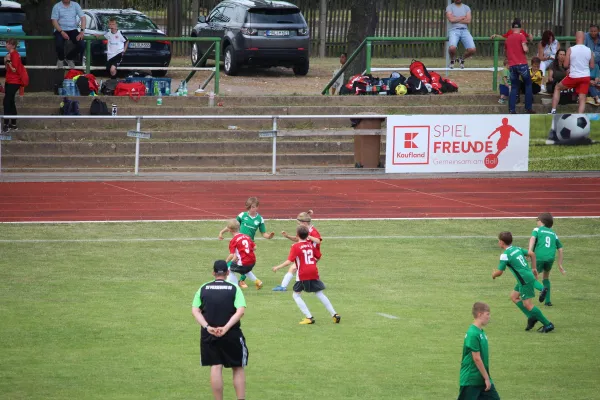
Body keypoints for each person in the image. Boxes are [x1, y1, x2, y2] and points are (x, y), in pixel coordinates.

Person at [192, 260, 248, 400]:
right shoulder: (234, 288)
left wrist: (207, 327)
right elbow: (240, 311)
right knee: (237, 367)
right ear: (228, 272)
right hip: (231, 333)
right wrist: (226, 327)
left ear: (213, 273)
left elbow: (195, 311)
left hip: (209, 334)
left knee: (216, 366)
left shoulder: (203, 288)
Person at [272, 225, 340, 325]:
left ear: (297, 235)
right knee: (319, 293)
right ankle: (334, 314)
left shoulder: (295, 246)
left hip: (303, 274)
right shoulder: (310, 245)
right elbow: (318, 256)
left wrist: (277, 267)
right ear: (308, 235)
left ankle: (309, 317)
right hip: (313, 271)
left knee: (296, 295)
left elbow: (289, 261)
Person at [492, 231, 555, 333]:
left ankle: (548, 324)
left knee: (527, 304)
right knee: (514, 296)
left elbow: (499, 272)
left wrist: (493, 275)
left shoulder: (505, 255)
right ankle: (531, 316)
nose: (498, 242)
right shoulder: (517, 248)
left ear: (502, 242)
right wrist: (534, 268)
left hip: (524, 280)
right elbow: (532, 254)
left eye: (499, 241)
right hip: (526, 277)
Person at [218, 197, 274, 288]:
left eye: (253, 207)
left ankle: (238, 282)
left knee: (239, 262)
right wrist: (221, 232)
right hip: (240, 242)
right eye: (250, 207)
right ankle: (251, 281)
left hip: (248, 243)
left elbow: (263, 233)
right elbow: (232, 225)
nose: (251, 209)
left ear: (257, 207)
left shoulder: (259, 219)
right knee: (243, 262)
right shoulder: (242, 215)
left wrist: (269, 236)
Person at [457, 302, 500, 400]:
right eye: (487, 314)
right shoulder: (473, 333)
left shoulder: (480, 332)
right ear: (480, 314)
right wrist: (486, 378)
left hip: (481, 379)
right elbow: (476, 358)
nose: (489, 317)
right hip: (471, 379)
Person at [272, 210, 322, 291]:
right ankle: (317, 283)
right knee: (304, 269)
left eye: (299, 223)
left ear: (304, 223)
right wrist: (287, 236)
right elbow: (297, 239)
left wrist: (309, 236)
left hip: (313, 255)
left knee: (294, 268)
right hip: (307, 254)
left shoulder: (313, 231)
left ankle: (283, 287)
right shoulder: (302, 230)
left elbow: (318, 241)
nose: (298, 225)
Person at [550, 31, 595, 114]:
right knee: (582, 98)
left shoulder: (571, 49)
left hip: (573, 76)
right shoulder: (589, 50)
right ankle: (579, 115)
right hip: (585, 77)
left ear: (576, 38)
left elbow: (565, 65)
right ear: (584, 38)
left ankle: (553, 110)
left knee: (557, 88)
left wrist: (572, 65)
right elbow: (592, 66)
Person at [528, 213, 565, 307]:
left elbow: (532, 238)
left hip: (539, 257)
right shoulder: (554, 234)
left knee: (529, 278)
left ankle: (541, 289)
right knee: (546, 277)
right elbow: (560, 249)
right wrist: (560, 264)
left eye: (537, 220)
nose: (537, 222)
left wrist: (530, 251)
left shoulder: (537, 229)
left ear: (542, 222)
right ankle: (548, 302)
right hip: (550, 258)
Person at [505, 19, 534, 114]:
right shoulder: (521, 36)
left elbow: (506, 52)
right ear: (520, 28)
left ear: (512, 28)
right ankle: (528, 108)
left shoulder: (508, 38)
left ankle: (512, 109)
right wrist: (527, 48)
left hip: (512, 65)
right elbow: (525, 49)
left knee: (514, 87)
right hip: (522, 64)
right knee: (528, 84)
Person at [224, 219, 263, 290]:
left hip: (244, 262)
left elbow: (232, 255)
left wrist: (225, 262)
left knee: (229, 270)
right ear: (239, 227)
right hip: (252, 261)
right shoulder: (246, 236)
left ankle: (234, 287)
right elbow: (255, 247)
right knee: (246, 270)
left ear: (229, 230)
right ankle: (257, 281)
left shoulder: (233, 240)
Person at [51, 0, 86, 69]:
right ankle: (61, 59)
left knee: (82, 45)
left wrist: (82, 32)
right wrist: (61, 31)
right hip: (60, 29)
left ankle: (69, 58)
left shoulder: (75, 5)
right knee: (59, 44)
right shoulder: (57, 6)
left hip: (73, 29)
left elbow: (83, 18)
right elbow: (54, 21)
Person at [446, 0, 476, 69]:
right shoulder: (449, 7)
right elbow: (451, 20)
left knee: (472, 50)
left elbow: (468, 20)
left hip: (465, 30)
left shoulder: (466, 7)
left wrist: (455, 19)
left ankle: (461, 59)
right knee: (452, 48)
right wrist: (462, 17)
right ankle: (452, 60)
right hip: (453, 30)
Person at [3, 39, 24, 132]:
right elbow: (7, 69)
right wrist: (6, 62)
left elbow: (14, 69)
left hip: (14, 82)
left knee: (7, 101)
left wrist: (8, 61)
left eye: (8, 44)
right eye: (6, 43)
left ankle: (6, 124)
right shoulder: (9, 54)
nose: (6, 45)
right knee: (10, 101)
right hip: (9, 80)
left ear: (13, 46)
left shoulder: (15, 55)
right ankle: (13, 124)